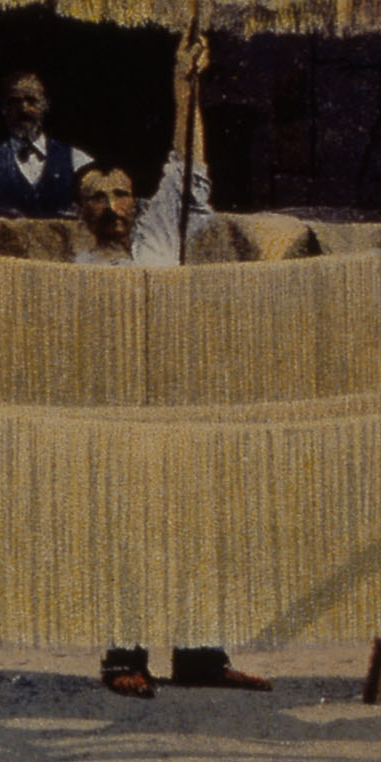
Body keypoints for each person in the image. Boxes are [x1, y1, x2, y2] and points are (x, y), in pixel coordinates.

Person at [75, 35, 272, 699]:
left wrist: (184, 87)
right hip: (121, 408)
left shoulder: (161, 237)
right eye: (96, 197)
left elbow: (187, 168)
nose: (110, 206)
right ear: (81, 210)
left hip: (180, 396)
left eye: (121, 194)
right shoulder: (77, 271)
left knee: (195, 521)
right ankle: (123, 656)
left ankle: (200, 654)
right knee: (129, 529)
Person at [0, 69, 95, 217]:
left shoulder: (77, 160)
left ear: (45, 105)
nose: (23, 109)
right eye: (14, 102)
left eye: (31, 101)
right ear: (4, 109)